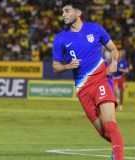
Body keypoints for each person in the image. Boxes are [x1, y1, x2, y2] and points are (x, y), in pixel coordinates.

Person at [52, 1, 124, 159]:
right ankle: (117, 147)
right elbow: (55, 66)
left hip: (101, 80)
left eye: (67, 11)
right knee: (102, 131)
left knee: (110, 124)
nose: (63, 14)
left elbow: (113, 49)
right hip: (83, 89)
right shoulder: (60, 39)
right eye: (62, 11)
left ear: (78, 13)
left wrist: (114, 62)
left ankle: (118, 156)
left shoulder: (95, 29)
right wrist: (68, 65)